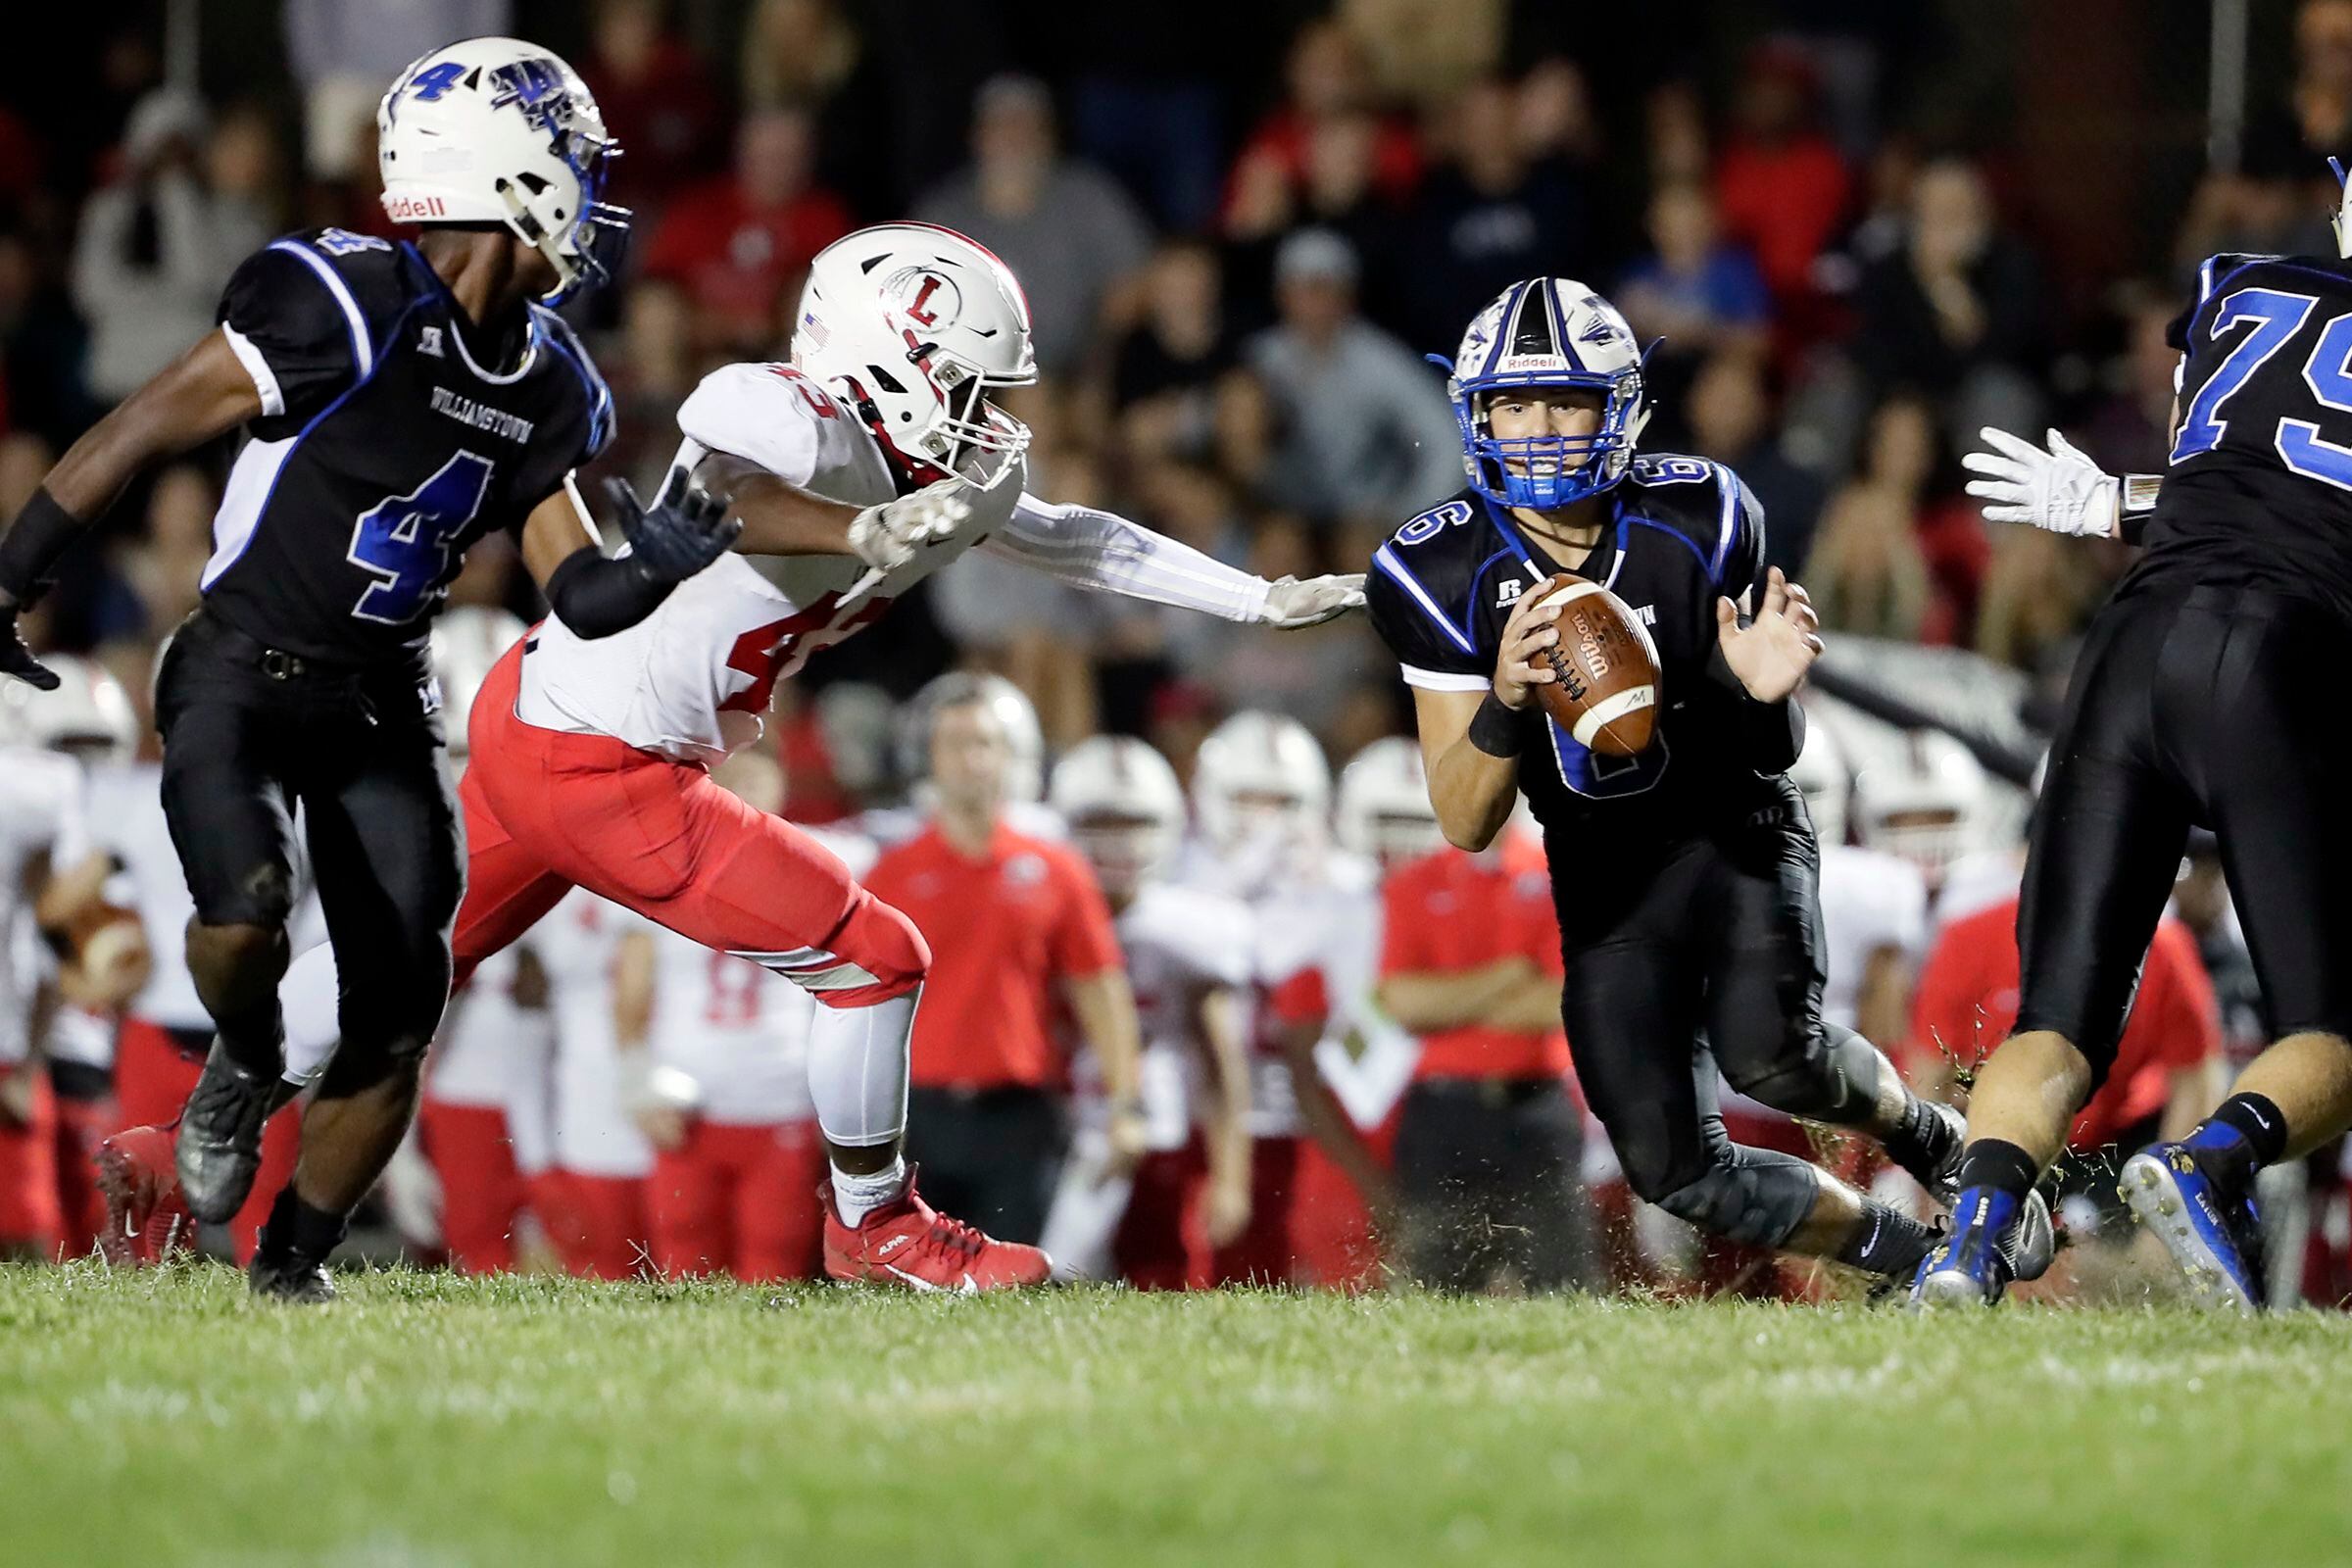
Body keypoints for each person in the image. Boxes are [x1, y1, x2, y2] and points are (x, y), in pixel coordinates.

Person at [80, 221, 1358, 1296]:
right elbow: (725, 480)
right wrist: (864, 522)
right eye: (965, 384)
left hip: (553, 717)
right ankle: (876, 1224)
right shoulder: (782, 414)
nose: (983, 420)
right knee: (877, 958)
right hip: (607, 760)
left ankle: (165, 1142)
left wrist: (1257, 600)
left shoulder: (928, 468)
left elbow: (1079, 537)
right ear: (889, 355)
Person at [0, 39, 739, 1302]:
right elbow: (141, 424)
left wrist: (661, 559)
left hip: (380, 699)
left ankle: (291, 1269)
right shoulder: (340, 299)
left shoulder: (551, 379)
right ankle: (246, 1053)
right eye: (567, 156)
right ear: (504, 169)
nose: (589, 191)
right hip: (237, 667)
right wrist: (13, 574)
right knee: (241, 915)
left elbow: (579, 596)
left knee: (404, 1002)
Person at [1362, 277, 2018, 1292]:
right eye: (1516, 402)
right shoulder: (1434, 568)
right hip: (1602, 864)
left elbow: (1770, 745)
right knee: (1672, 1169)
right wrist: (1504, 697)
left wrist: (1760, 696)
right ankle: (1916, 1258)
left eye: (1567, 400)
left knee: (1772, 1055)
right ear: (1476, 411)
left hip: (1733, 821)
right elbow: (1463, 817)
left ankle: (1935, 1136)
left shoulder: (1699, 512)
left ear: (1618, 406)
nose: (1539, 428)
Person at [1915, 172, 2352, 1308]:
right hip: (2275, 658)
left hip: (2130, 643)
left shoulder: (2241, 285)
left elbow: (2254, 470)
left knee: (2056, 1016)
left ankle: (1969, 1237)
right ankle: (2211, 1160)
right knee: (2336, 1033)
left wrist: (2116, 502)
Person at [861, 675, 1142, 1249]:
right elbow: (858, 1002)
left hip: (1020, 1111)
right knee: (912, 1285)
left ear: (1011, 756)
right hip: (917, 1114)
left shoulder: (1056, 870)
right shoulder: (891, 873)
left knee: (1008, 1284)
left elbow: (1100, 992)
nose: (971, 760)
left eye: (985, 743)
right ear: (930, 757)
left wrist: (1126, 1104)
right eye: (956, 743)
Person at [1038, 735, 1254, 1287]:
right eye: (1102, 821)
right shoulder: (1038, 914)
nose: (1118, 841)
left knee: (1165, 1286)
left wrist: (1231, 1175)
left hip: (1159, 1137)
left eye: (1134, 822)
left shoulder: (1188, 927)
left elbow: (1220, 1061)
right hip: (1051, 1131)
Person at [1376, 808, 1590, 1294]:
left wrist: (1449, 1002)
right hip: (1445, 1113)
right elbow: (1402, 1002)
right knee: (1436, 1281)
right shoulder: (1416, 882)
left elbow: (1562, 1003)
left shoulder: (1556, 877)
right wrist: (1510, 975)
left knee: (1562, 1283)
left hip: (1535, 1105)